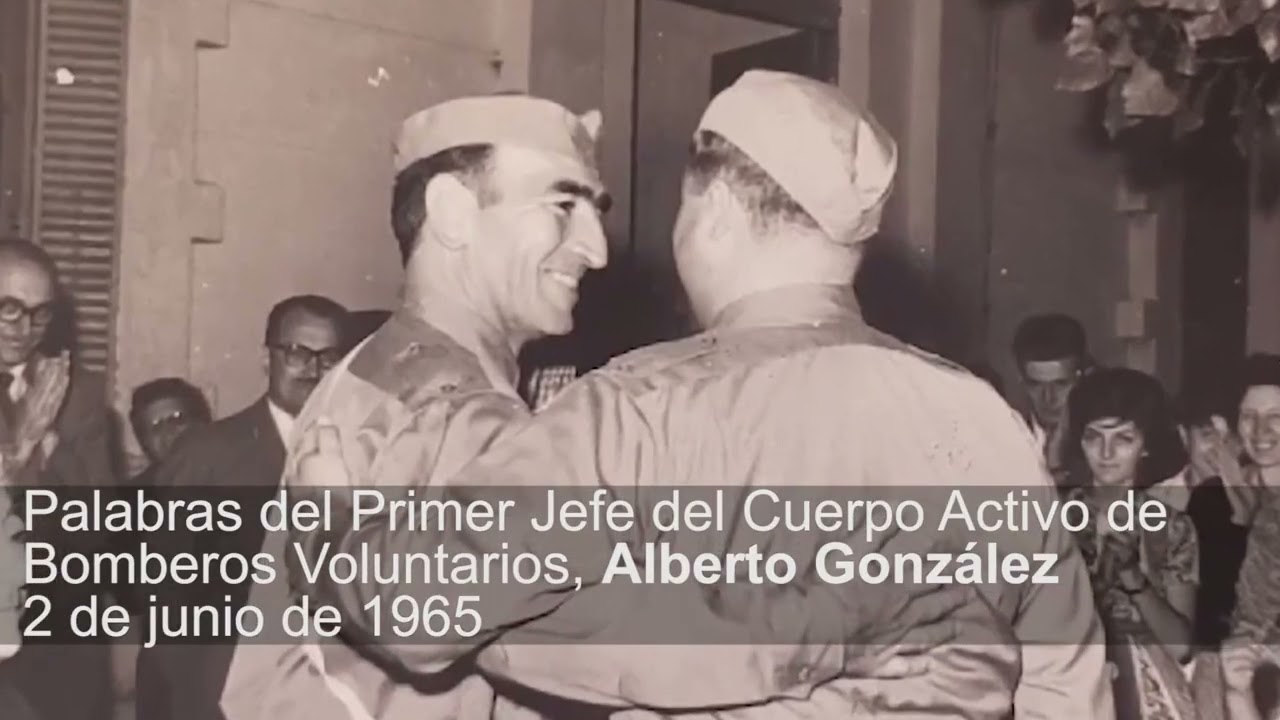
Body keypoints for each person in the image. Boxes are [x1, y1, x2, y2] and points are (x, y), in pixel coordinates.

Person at [290, 71, 1112, 718]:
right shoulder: (987, 422)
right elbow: (1069, 686)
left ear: (713, 213)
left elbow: (426, 613)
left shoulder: (640, 409)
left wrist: (332, 523)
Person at [137, 294, 347, 720]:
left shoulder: (362, 451)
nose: (312, 369)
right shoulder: (207, 453)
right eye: (296, 353)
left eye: (328, 357)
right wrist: (195, 692)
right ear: (265, 358)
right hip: (220, 692)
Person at [0, 239, 121, 720]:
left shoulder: (78, 392)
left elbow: (102, 522)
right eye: (9, 308)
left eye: (40, 313)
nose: (23, 329)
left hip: (52, 631)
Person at [1060, 368, 1210, 719]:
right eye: (1094, 437)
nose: (1106, 452)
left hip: (1146, 682)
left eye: (1123, 438)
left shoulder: (1173, 528)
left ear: (1146, 445)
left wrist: (1134, 580)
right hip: (1068, 673)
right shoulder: (1053, 518)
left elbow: (1181, 646)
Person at [1220, 355, 1280, 720]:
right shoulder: (1224, 494)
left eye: (1276, 416)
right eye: (1248, 416)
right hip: (1237, 673)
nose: (1260, 432)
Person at [1011, 312, 1091, 480]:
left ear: (1080, 378)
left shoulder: (1102, 443)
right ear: (1021, 380)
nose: (1048, 398)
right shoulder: (1006, 436)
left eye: (1061, 384)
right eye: (1035, 384)